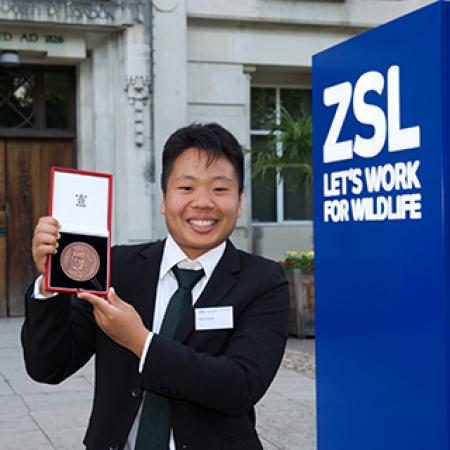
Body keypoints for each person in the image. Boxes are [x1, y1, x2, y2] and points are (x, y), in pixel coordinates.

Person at [21, 123, 290, 450]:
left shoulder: (263, 280)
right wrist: (49, 285)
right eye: (187, 188)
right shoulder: (117, 267)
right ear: (164, 198)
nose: (203, 202)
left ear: (240, 200)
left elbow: (240, 386)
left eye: (220, 189)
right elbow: (48, 366)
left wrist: (140, 341)